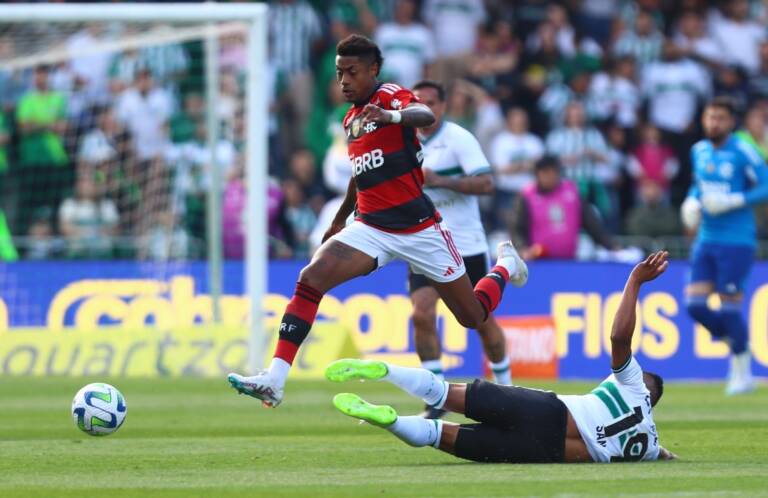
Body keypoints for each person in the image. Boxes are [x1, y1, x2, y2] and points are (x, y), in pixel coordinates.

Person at [227, 34, 528, 408]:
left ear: (373, 69)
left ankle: (504, 266)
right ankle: (275, 378)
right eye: (339, 73)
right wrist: (339, 220)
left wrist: (390, 116)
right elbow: (359, 173)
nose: (343, 81)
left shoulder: (388, 96)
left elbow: (425, 115)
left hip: (419, 229)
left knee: (472, 316)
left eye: (351, 72)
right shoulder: (352, 119)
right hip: (371, 227)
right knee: (309, 280)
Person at [326, 251, 676, 464]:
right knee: (437, 435)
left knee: (445, 394)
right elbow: (660, 452)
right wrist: (663, 453)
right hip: (543, 453)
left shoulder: (633, 388)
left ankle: (386, 370)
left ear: (647, 389)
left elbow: (618, 337)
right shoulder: (648, 444)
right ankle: (388, 421)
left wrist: (634, 281)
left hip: (551, 411)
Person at [407, 80, 511, 419]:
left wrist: (441, 181)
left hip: (465, 246)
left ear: (443, 106)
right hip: (424, 243)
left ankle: (507, 388)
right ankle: (437, 398)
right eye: (419, 102)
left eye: (432, 102)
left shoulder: (459, 139)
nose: (426, 108)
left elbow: (486, 183)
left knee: (479, 320)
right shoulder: (403, 142)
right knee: (421, 313)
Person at [681, 97, 768, 396]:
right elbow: (699, 183)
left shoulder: (744, 150)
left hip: (737, 240)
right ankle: (738, 343)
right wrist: (691, 199)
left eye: (719, 118)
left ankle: (743, 373)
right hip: (706, 239)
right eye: (709, 117)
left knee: (730, 309)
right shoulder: (699, 150)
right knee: (694, 305)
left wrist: (735, 199)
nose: (713, 123)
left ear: (730, 122)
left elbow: (766, 184)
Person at [510, 156, 616, 260]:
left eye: (554, 172)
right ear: (537, 174)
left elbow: (591, 223)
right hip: (538, 263)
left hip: (568, 262)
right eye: (546, 172)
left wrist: (611, 246)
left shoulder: (572, 191)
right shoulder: (527, 195)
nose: (550, 176)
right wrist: (522, 249)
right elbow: (517, 228)